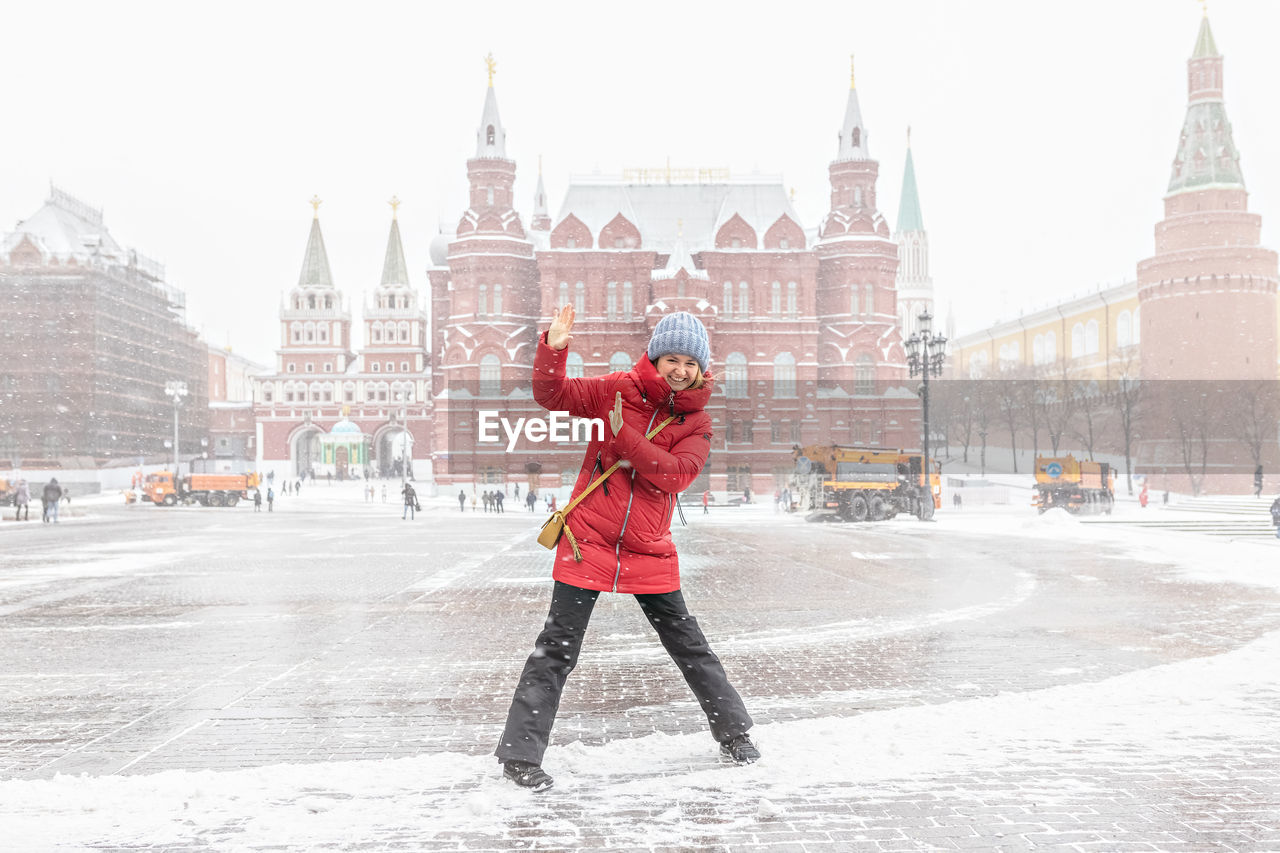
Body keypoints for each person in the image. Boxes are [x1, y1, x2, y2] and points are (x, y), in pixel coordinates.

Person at [496, 306, 758, 793]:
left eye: (690, 363)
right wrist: (553, 348)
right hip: (587, 540)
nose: (681, 370)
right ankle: (519, 756)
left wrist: (623, 438)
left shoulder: (697, 424)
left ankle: (735, 734)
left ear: (702, 369)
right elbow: (551, 395)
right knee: (555, 649)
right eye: (672, 358)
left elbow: (675, 474)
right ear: (656, 357)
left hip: (648, 548)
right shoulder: (616, 388)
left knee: (688, 646)